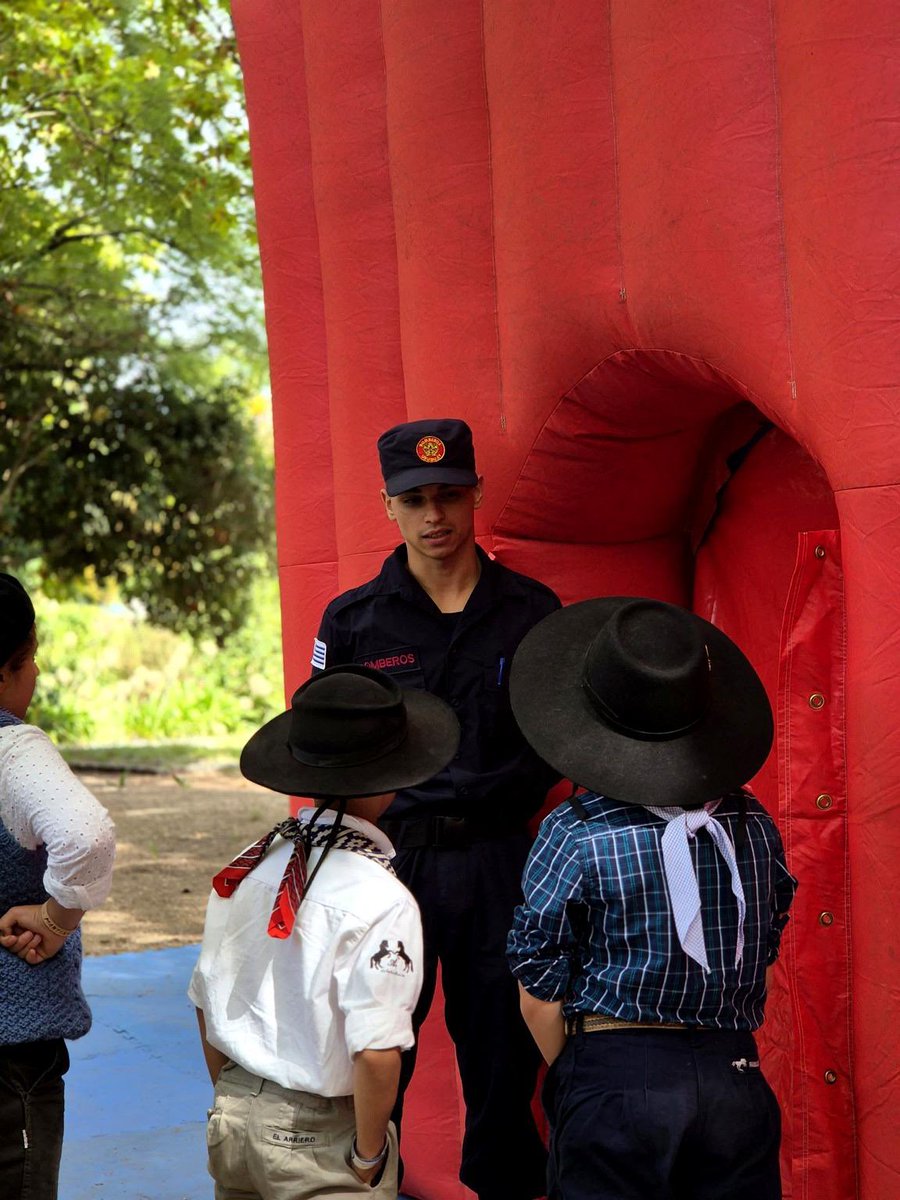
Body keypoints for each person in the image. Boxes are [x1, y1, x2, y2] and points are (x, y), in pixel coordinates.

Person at [312, 417, 560, 1200]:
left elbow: (561, 734)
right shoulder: (353, 621)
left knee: (504, 1068)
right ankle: (365, 1188)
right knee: (376, 1052)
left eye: (450, 494)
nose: (434, 516)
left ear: (476, 493)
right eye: (414, 498)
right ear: (387, 505)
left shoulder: (531, 610)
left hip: (500, 865)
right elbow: (323, 748)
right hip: (392, 868)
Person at [507, 597, 798, 1200]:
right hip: (732, 1078)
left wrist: (581, 1074)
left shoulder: (577, 829)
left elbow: (537, 984)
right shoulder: (755, 824)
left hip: (614, 1068)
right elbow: (763, 954)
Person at [188, 664, 459, 1200]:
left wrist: (233, 1095)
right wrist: (368, 1151)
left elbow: (205, 998)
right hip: (319, 1134)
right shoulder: (381, 898)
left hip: (235, 1113)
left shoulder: (247, 868)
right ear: (395, 779)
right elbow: (377, 1050)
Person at [0, 573, 116, 1200]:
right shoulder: (13, 753)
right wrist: (54, 916)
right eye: (32, 657)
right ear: (7, 671)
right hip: (11, 1051)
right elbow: (86, 834)